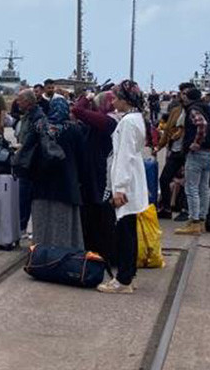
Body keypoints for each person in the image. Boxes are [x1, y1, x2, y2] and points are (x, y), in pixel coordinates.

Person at [99, 80, 149, 294]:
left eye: (117, 97)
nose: (114, 101)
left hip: (126, 183)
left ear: (126, 100)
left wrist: (119, 188)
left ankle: (124, 279)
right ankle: (129, 274)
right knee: (129, 230)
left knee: (124, 232)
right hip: (132, 180)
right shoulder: (136, 119)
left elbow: (124, 156)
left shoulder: (128, 122)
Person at [26, 96, 87, 249]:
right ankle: (64, 257)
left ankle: (41, 257)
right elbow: (82, 158)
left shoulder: (39, 126)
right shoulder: (74, 129)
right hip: (67, 184)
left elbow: (29, 151)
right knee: (64, 226)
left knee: (42, 224)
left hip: (41, 185)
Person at [71, 91, 117, 266]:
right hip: (94, 169)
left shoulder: (108, 121)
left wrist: (86, 98)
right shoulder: (106, 120)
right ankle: (94, 248)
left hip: (99, 171)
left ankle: (101, 251)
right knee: (92, 212)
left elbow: (78, 110)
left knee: (98, 211)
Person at [175, 87, 210, 235]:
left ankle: (194, 221)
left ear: (187, 97)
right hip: (208, 152)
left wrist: (197, 142)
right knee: (204, 188)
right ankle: (202, 219)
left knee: (191, 188)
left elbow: (201, 124)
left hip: (196, 153)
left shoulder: (193, 109)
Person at [12, 89, 45, 235]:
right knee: (22, 197)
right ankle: (21, 226)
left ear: (27, 101)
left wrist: (22, 147)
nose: (17, 103)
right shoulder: (28, 116)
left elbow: (34, 140)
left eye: (20, 100)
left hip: (30, 163)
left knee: (26, 197)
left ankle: (22, 228)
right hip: (24, 161)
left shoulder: (37, 117)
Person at [155, 91, 186, 219]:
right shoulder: (176, 110)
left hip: (188, 152)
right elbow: (168, 129)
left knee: (189, 183)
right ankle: (166, 207)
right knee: (164, 179)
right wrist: (160, 146)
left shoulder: (195, 111)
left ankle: (186, 210)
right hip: (175, 150)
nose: (181, 97)